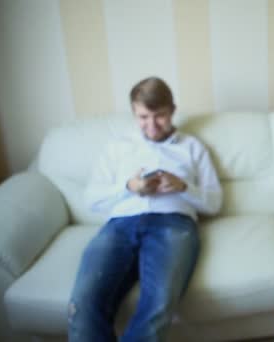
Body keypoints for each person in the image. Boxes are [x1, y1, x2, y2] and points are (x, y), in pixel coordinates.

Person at [68, 77, 222, 341]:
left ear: (172, 110)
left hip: (174, 225)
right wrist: (128, 186)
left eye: (159, 116)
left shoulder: (192, 147)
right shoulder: (117, 148)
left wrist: (183, 186)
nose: (151, 125)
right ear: (134, 114)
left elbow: (215, 202)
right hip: (120, 224)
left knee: (158, 304)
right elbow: (90, 199)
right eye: (143, 117)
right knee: (83, 302)